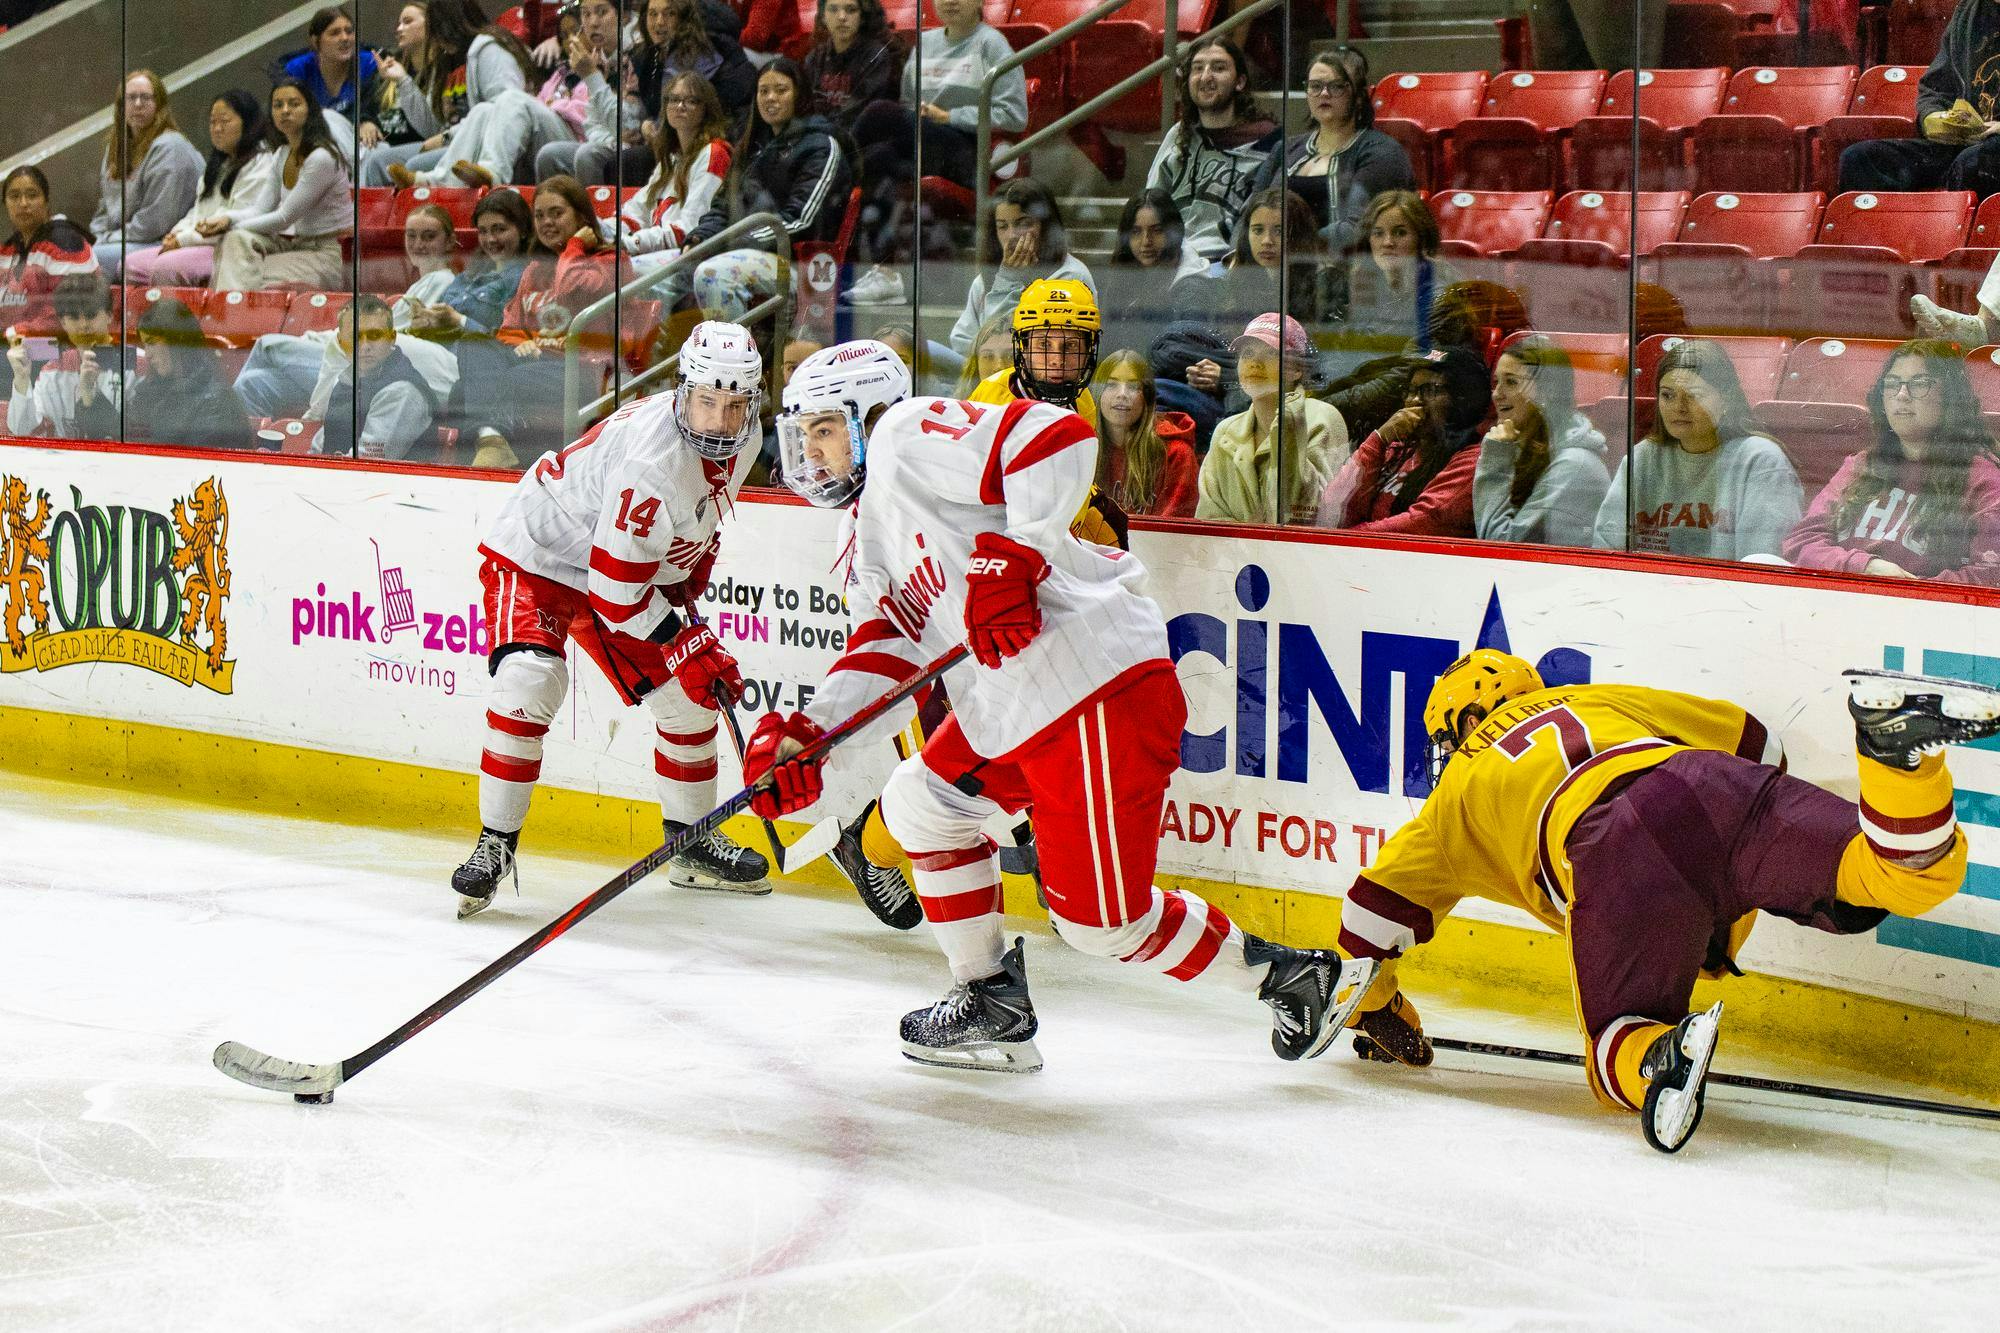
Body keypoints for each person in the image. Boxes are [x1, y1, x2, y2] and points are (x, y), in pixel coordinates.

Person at [747, 340, 1378, 1072]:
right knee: (920, 803)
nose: (812, 453)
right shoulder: (864, 534)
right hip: (1016, 703)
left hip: (1091, 686)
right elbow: (892, 644)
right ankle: (989, 997)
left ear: (868, 411)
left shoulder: (903, 433)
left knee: (1101, 925)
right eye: (804, 435)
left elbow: (1054, 435)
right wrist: (813, 736)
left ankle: (1288, 975)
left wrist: (1015, 552)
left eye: (824, 428)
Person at [1339, 647, 2000, 1152]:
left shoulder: (1451, 799)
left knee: (1613, 1048)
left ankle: (1665, 1055)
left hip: (1610, 841)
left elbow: (1365, 921)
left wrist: (1379, 1006)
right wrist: (1743, 879)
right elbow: (1757, 742)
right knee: (1894, 872)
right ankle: (1893, 755)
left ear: (1461, 727)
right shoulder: (1592, 698)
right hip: (1709, 780)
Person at [450, 321, 772, 916]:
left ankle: (692, 842)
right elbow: (617, 597)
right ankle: (495, 843)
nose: (719, 423)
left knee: (686, 700)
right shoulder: (653, 461)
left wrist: (690, 564)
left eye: (734, 406)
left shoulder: (744, 437)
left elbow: (687, 523)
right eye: (706, 402)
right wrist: (687, 642)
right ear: (682, 391)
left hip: (614, 562)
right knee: (530, 679)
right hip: (539, 554)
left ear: (753, 400)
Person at [844, 0, 1027, 305]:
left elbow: (1014, 114)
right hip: (923, 141)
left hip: (968, 151)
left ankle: (839, 164)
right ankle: (886, 271)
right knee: (878, 159)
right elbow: (908, 107)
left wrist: (950, 117)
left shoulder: (992, 44)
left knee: (879, 113)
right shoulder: (925, 44)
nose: (950, 1)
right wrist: (924, 117)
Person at [1782, 339, 2000, 582]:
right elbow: (1802, 541)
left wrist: (1909, 589)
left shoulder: (1984, 480)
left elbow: (1990, 575)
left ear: (1949, 397)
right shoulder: (1862, 464)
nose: (1901, 395)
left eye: (1919, 384)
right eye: (1893, 384)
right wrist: (1866, 567)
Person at [456, 175, 632, 466]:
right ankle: (493, 442)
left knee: (487, 387)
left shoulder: (611, 261)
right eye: (539, 215)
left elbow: (569, 287)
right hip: (532, 366)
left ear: (582, 216)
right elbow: (509, 327)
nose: (547, 222)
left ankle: (494, 450)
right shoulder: (536, 269)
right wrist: (524, 342)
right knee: (473, 344)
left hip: (583, 373)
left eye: (557, 213)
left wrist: (574, 246)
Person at [1593, 338, 1803, 560]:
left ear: (1726, 400)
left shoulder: (1762, 461)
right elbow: (1606, 551)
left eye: (1693, 396)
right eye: (1668, 395)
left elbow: (1765, 564)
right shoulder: (1643, 457)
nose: (1678, 408)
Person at [687, 59, 853, 323]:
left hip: (800, 264)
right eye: (763, 91)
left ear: (799, 95)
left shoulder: (821, 145)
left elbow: (803, 220)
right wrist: (700, 238)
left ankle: (733, 359)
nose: (770, 98)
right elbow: (722, 206)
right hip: (741, 251)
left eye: (780, 90)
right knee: (657, 269)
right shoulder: (751, 146)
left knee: (713, 274)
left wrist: (731, 243)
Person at [398, 0, 621, 189]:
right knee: (484, 109)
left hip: (581, 137)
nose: (591, 23)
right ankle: (440, 180)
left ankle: (492, 173)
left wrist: (565, 99)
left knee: (509, 99)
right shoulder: (565, 70)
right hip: (551, 130)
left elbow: (593, 119)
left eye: (601, 13)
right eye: (586, 14)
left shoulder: (611, 64)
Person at [1247, 46, 1414, 255]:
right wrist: (1239, 254)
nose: (1323, 93)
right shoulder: (1284, 149)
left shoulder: (1382, 152)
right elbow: (1250, 212)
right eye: (1315, 86)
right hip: (1273, 262)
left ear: (1360, 96)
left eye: (1336, 86)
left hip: (1345, 269)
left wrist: (1291, 250)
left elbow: (1357, 227)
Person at [362, 0, 539, 187]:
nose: (436, 37)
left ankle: (436, 184)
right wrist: (403, 82)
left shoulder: (489, 48)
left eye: (435, 27)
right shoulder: (444, 61)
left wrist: (448, 136)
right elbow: (431, 128)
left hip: (502, 141)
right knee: (377, 162)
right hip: (463, 139)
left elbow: (507, 110)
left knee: (416, 164)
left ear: (448, 24)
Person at [1197, 313, 1349, 525]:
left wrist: (1289, 430)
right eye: (1247, 353)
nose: (1255, 363)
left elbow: (1322, 517)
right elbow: (1207, 522)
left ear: (1297, 369)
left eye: (1271, 353)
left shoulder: (1322, 418)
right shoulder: (1226, 430)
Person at [202, 80, 354, 292]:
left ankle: (232, 319)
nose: (285, 111)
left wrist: (230, 225)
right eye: (278, 105)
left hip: (330, 254)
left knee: (245, 274)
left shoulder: (321, 158)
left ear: (309, 109)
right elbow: (260, 209)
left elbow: (284, 218)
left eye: (293, 104)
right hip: (298, 247)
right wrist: (227, 219)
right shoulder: (281, 154)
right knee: (235, 243)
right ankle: (231, 316)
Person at [1145, 36, 1281, 264]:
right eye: (1197, 69)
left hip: (1226, 266)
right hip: (1170, 263)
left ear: (1240, 82)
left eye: (1218, 68)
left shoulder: (1268, 141)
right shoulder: (1178, 135)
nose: (1206, 76)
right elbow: (1149, 205)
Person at [1840, 0, 2000, 195]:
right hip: (1963, 144)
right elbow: (1934, 88)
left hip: (1988, 151)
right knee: (1860, 159)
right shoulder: (1968, 11)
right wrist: (1932, 117)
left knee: (1978, 159)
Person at [1328, 344, 1489, 537]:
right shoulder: (1397, 450)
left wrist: (1345, 540)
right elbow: (1335, 508)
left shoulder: (1472, 461)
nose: (1413, 400)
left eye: (1429, 390)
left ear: (1462, 400)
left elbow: (1419, 524)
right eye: (1411, 390)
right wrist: (1379, 440)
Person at [122, 91, 273, 288]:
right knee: (129, 266)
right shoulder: (219, 164)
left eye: (224, 121)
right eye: (212, 122)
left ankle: (177, 319)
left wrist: (183, 240)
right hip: (195, 241)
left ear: (248, 123)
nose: (217, 128)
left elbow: (237, 221)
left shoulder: (262, 163)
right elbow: (198, 211)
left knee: (168, 268)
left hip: (227, 247)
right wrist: (177, 233)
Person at [1472, 335, 1611, 548]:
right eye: (1496, 382)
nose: (1496, 394)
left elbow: (1501, 546)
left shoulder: (1574, 465)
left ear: (1549, 389)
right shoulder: (1526, 442)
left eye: (1511, 382)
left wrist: (1495, 461)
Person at [945, 180, 1093, 359]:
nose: (1012, 235)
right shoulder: (984, 281)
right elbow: (962, 344)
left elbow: (1015, 349)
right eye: (1002, 226)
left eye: (1023, 224)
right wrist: (1005, 279)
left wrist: (1009, 282)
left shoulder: (1071, 278)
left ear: (1045, 227)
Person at [614, 72, 732, 276]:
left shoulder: (715, 153)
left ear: (706, 108)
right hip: (660, 251)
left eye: (691, 101)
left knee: (615, 270)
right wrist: (602, 232)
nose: (680, 106)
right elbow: (636, 212)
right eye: (674, 99)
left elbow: (690, 227)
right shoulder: (672, 158)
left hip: (692, 254)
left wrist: (629, 243)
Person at [89, 70, 205, 276]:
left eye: (146, 97)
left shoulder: (170, 146)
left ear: (159, 104)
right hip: (123, 239)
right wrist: (98, 234)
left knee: (91, 260)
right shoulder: (116, 148)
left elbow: (157, 221)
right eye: (131, 98)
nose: (138, 104)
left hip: (164, 241)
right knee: (77, 256)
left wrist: (107, 238)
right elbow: (104, 208)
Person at [303, 295, 441, 460]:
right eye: (355, 337)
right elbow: (318, 451)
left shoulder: (402, 390)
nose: (365, 346)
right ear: (340, 342)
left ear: (392, 338)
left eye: (375, 336)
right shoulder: (346, 381)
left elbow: (367, 463)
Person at [6, 273, 131, 440]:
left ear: (109, 315)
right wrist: (21, 381)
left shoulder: (137, 365)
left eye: (91, 315)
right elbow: (27, 435)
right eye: (73, 318)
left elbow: (139, 438)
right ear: (63, 323)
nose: (83, 325)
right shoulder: (51, 373)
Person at [1094, 188, 1215, 358]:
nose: (1146, 242)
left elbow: (1186, 358)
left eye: (1156, 231)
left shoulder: (1191, 288)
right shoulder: (1126, 275)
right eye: (1136, 232)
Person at [967, 276, 1101, 427]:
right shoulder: (989, 399)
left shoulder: (1083, 400)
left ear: (1088, 350)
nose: (1057, 359)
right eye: (1044, 344)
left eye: (1071, 346)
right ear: (1023, 347)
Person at [123, 296, 254, 451]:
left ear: (177, 342)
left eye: (152, 343)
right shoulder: (149, 389)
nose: (148, 354)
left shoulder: (215, 401)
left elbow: (198, 468)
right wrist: (92, 399)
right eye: (145, 345)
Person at [1335, 191, 1458, 352]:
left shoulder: (1437, 298)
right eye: (1378, 233)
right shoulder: (1366, 289)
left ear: (1421, 238)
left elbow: (1428, 362)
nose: (1388, 242)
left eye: (1400, 233)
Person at [1211, 185, 1340, 335]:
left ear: (1299, 234)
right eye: (1258, 230)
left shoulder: (1325, 280)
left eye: (1279, 231)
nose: (1267, 241)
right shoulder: (1235, 276)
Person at [1093, 349, 1198, 519]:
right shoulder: (1084, 448)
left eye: (1134, 387)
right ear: (1097, 394)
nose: (1122, 394)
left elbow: (1174, 533)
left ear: (1147, 398)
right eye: (1111, 385)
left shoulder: (1176, 454)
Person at [0, 165, 98, 340]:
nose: (23, 204)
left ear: (46, 201)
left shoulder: (66, 243)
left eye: (32, 195)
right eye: (14, 196)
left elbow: (66, 316)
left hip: (60, 350)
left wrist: (12, 334)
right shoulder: (7, 250)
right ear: (5, 203)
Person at [801, 0, 901, 133]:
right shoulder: (814, 58)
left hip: (861, 140)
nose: (841, 17)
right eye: (833, 9)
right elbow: (805, 108)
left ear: (862, 18)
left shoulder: (877, 56)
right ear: (823, 17)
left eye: (851, 10)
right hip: (821, 138)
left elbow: (857, 114)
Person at [281, 6, 380, 121]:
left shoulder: (370, 63)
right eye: (334, 33)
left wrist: (367, 121)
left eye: (349, 31)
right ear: (315, 41)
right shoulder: (298, 70)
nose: (344, 38)